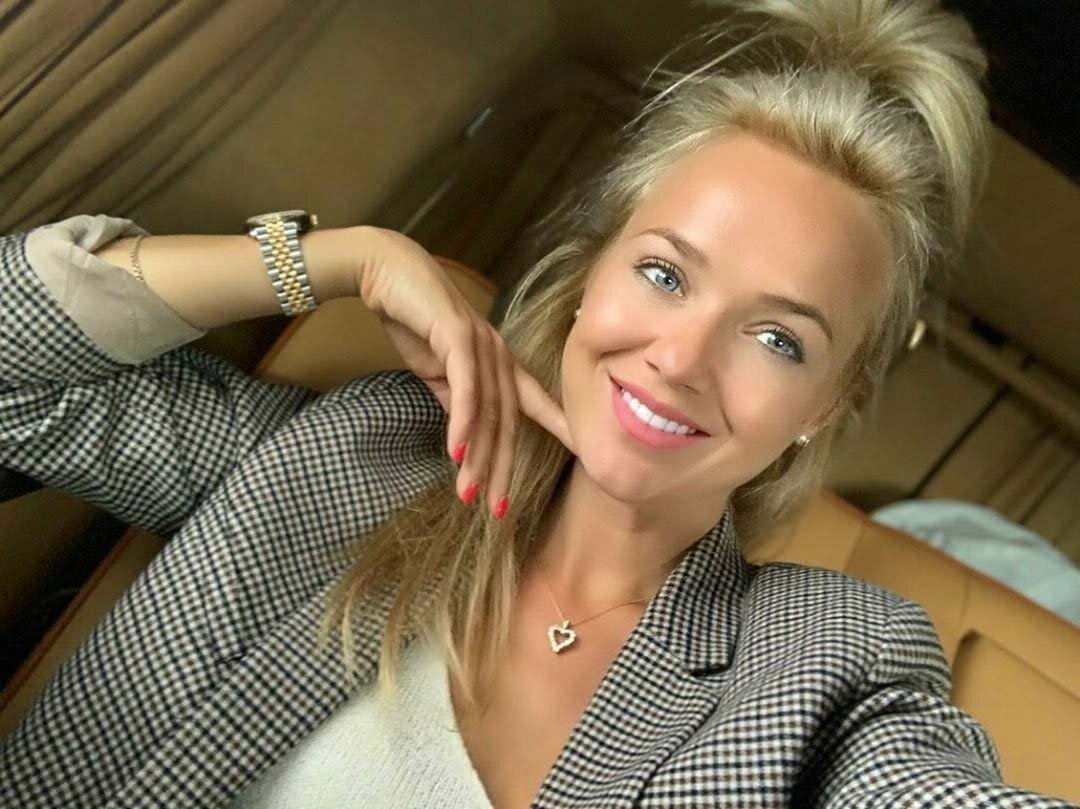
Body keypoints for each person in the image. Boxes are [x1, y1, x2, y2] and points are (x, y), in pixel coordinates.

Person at [0, 1, 1075, 807]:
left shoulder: (828, 662)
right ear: (589, 274)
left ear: (823, 407)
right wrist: (344, 259)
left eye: (778, 337)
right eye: (664, 273)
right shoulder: (354, 448)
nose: (680, 358)